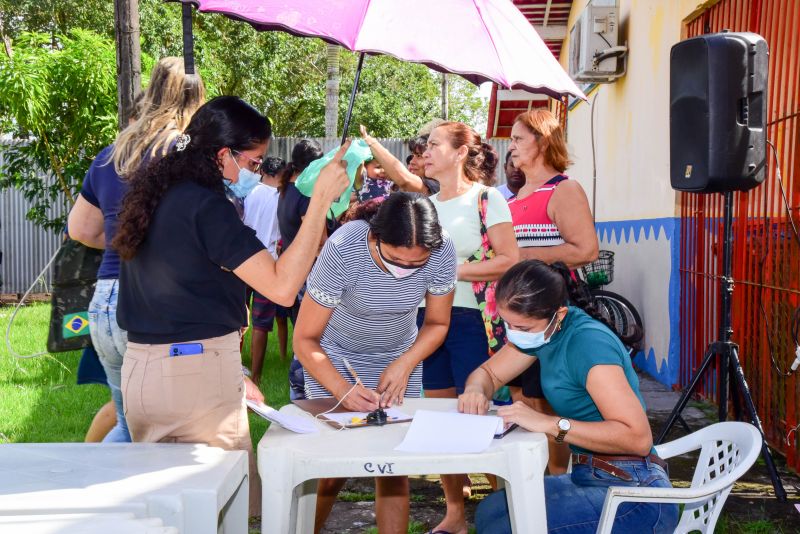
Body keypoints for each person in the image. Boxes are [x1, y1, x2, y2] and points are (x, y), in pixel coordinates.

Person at [113, 96, 350, 515]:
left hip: (145, 369)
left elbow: (188, 297)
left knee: (170, 512)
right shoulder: (207, 206)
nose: (256, 174)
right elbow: (280, 287)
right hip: (192, 377)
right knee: (222, 507)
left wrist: (233, 371)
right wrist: (318, 204)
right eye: (254, 162)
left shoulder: (157, 195)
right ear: (224, 154)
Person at [460, 260, 678, 534]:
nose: (514, 334)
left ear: (559, 315)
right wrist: (475, 391)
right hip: (593, 474)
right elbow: (489, 375)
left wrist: (550, 424)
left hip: (636, 494)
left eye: (523, 329)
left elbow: (637, 439)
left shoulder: (588, 344)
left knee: (505, 527)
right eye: (509, 324)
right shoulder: (544, 333)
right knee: (491, 510)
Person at [293, 192, 457, 534]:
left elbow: (438, 324)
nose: (406, 271)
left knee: (393, 464)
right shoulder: (344, 248)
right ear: (375, 237)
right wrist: (341, 388)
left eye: (417, 264)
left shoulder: (442, 251)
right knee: (333, 466)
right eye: (396, 260)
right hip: (335, 356)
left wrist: (406, 362)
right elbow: (305, 339)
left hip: (400, 357)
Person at [67, 57, 205, 443]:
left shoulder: (113, 152)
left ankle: (99, 493)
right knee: (171, 432)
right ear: (196, 102)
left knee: (129, 426)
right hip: (155, 303)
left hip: (106, 300)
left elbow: (80, 229)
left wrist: (125, 239)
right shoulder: (183, 153)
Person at [421, 121, 519, 534]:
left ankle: (500, 513)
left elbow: (509, 259)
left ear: (461, 152)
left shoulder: (486, 197)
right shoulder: (423, 205)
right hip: (427, 322)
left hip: (472, 322)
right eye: (424, 144)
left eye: (434, 144)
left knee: (478, 418)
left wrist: (451, 269)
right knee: (441, 420)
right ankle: (456, 514)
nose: (425, 151)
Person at [507, 109, 600, 473]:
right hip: (516, 311)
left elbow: (586, 250)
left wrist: (522, 254)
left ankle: (558, 483)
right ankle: (530, 479)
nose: (511, 146)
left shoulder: (564, 189)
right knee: (520, 399)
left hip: (548, 312)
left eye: (518, 139)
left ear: (543, 142)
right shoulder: (514, 196)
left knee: (545, 404)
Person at [276, 139, 325, 399]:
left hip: (295, 272)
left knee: (301, 329)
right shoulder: (306, 196)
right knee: (312, 336)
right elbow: (317, 239)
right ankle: (304, 389)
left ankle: (300, 387)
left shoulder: (287, 191)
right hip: (309, 273)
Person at [243, 157, 285, 384]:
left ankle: (237, 367)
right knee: (260, 324)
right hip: (268, 263)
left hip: (242, 260)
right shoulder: (282, 198)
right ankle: (257, 376)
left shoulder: (248, 192)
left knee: (238, 316)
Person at [360, 126, 440, 195]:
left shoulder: (436, 186)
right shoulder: (391, 185)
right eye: (413, 155)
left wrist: (370, 141)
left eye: (419, 156)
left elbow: (404, 180)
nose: (412, 162)